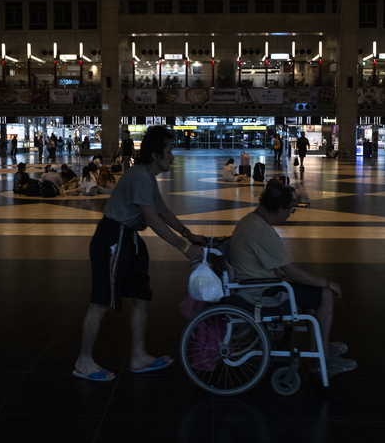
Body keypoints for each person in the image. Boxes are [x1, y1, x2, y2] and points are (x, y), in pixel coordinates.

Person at [74, 125, 206, 382]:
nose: (173, 156)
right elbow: (153, 220)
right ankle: (83, 361)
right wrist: (186, 248)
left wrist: (187, 233)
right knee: (101, 303)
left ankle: (138, 356)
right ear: (156, 155)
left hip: (129, 239)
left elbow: (163, 211)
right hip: (112, 238)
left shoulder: (147, 176)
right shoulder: (139, 177)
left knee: (142, 296)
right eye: (169, 151)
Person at [230, 179, 357, 378]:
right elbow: (293, 273)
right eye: (290, 209)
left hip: (255, 283)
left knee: (308, 294)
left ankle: (318, 345)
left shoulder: (249, 221)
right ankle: (322, 357)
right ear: (279, 210)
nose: (291, 213)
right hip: (260, 291)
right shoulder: (262, 232)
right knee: (324, 295)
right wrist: (328, 283)